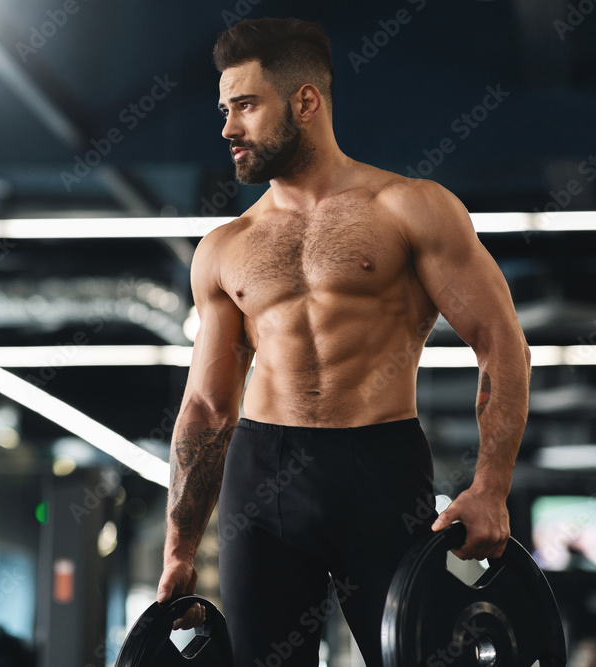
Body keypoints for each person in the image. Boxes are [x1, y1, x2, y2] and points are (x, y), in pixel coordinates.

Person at [154, 17, 532, 667]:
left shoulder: (411, 209)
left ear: (306, 100)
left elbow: (501, 342)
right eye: (224, 109)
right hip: (263, 478)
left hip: (379, 468)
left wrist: (491, 485)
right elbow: (208, 410)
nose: (227, 128)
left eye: (245, 105)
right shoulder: (224, 249)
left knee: (417, 658)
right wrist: (179, 548)